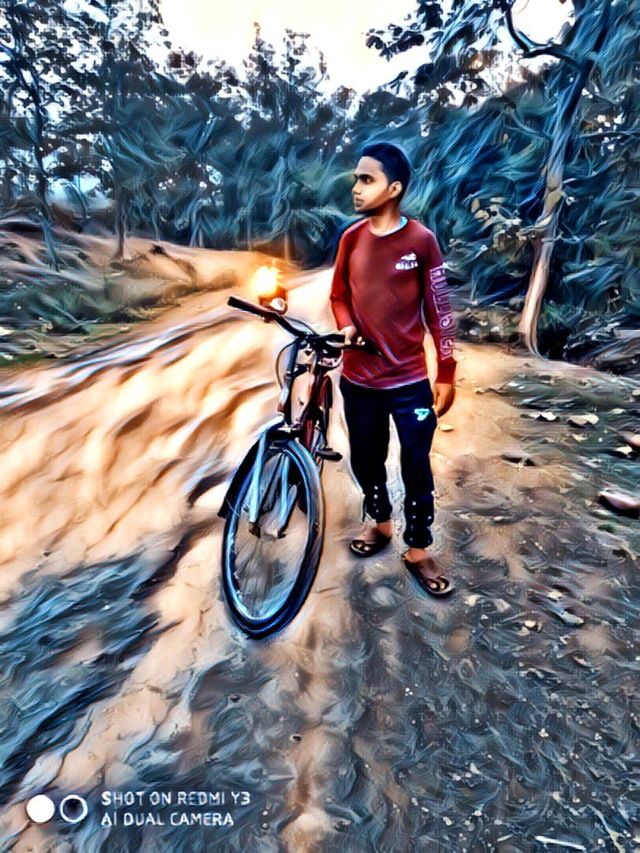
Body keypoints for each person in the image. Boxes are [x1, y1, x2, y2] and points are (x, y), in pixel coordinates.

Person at [330, 141, 457, 597]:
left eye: (367, 179)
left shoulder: (421, 241)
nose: (356, 188)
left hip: (409, 383)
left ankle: (418, 549)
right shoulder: (351, 238)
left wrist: (447, 372)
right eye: (356, 179)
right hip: (359, 379)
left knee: (415, 463)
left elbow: (439, 309)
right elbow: (339, 296)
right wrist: (346, 326)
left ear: (395, 188)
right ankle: (381, 523)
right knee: (365, 458)